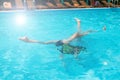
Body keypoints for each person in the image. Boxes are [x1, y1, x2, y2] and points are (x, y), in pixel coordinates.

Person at [19, 18, 106, 58]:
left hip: (61, 42)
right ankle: (28, 40)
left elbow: (79, 33)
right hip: (64, 43)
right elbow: (80, 33)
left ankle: (28, 40)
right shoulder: (78, 36)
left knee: (45, 43)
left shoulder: (76, 37)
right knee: (78, 34)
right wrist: (100, 30)